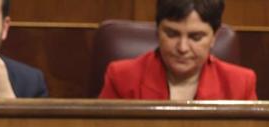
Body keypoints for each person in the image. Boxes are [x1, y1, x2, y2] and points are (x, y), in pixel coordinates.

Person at [98, 0, 256, 101]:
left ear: (214, 37)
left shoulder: (240, 85)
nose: (182, 48)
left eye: (195, 37)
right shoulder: (122, 78)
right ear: (157, 31)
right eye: (172, 34)